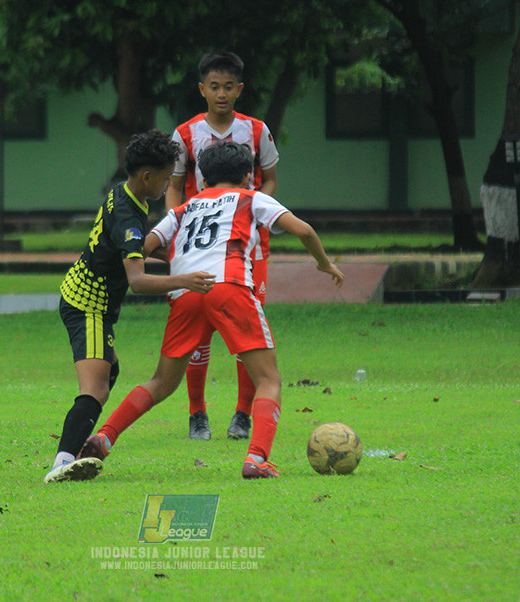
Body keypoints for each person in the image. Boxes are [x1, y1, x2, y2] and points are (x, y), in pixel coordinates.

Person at [79, 142, 343, 479]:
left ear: (202, 179)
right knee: (268, 379)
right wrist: (324, 264)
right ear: (249, 176)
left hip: (186, 290)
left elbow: (146, 246)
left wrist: (182, 262)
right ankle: (257, 459)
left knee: (161, 381)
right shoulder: (251, 198)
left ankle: (105, 436)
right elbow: (303, 230)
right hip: (228, 287)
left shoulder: (184, 208)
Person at [45, 130, 215, 483]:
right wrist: (185, 280)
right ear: (147, 177)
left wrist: (176, 259)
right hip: (86, 305)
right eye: (167, 177)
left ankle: (73, 451)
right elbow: (137, 281)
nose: (170, 183)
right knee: (95, 390)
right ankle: (62, 463)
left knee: (110, 375)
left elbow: (137, 251)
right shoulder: (129, 217)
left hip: (91, 300)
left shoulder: (123, 195)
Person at [167, 51, 280, 442]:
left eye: (228, 87)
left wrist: (253, 209)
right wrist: (177, 225)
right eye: (214, 86)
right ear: (202, 89)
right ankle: (197, 413)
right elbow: (174, 185)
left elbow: (270, 181)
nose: (221, 94)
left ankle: (243, 414)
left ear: (239, 89)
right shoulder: (184, 134)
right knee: (196, 333)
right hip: (200, 247)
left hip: (249, 248)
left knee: (246, 330)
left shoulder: (257, 130)